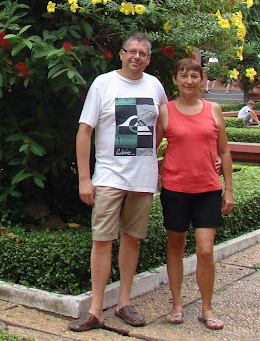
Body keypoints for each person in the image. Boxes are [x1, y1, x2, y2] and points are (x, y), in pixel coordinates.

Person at [70, 32, 167, 332]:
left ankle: (124, 302)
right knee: (101, 240)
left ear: (149, 59)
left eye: (143, 54)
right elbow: (84, 131)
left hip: (142, 178)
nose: (137, 57)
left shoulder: (155, 86)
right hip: (109, 176)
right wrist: (85, 179)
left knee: (132, 239)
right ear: (122, 54)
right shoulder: (104, 83)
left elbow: (165, 126)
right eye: (132, 52)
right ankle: (96, 309)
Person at [156, 58, 234, 330]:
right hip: (175, 189)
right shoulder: (165, 111)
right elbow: (151, 149)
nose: (189, 81)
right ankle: (177, 304)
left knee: (205, 251)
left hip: (207, 190)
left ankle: (207, 307)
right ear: (175, 80)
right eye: (183, 75)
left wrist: (229, 190)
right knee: (175, 247)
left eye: (194, 76)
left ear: (202, 80)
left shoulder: (214, 109)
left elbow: (224, 151)